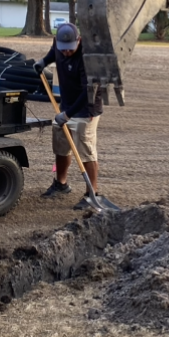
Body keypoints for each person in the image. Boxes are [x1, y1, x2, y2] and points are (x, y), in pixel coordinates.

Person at [34, 22, 104, 208]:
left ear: (79, 40)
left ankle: (92, 194)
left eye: (70, 50)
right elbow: (53, 54)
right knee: (61, 144)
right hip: (67, 105)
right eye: (63, 50)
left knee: (86, 151)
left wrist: (68, 115)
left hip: (86, 108)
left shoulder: (89, 57)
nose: (65, 53)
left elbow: (89, 92)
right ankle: (61, 184)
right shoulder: (58, 45)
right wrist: (44, 62)